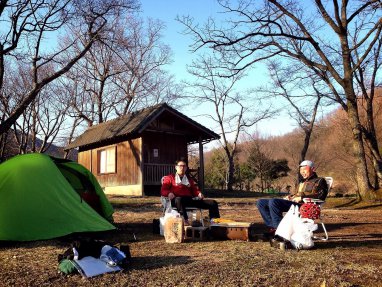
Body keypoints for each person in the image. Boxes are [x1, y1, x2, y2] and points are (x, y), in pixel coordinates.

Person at [256, 160, 328, 239]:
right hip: (294, 203)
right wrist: (291, 196)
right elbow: (298, 194)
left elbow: (321, 196)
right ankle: (274, 228)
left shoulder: (320, 181)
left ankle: (280, 231)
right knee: (261, 202)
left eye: (305, 169)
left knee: (274, 202)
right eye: (301, 170)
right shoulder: (302, 182)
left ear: (313, 169)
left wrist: (301, 198)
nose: (302, 172)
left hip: (305, 206)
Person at [161, 158, 220, 225]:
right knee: (179, 199)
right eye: (180, 166)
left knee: (213, 203)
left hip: (189, 200)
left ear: (186, 168)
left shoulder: (189, 179)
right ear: (176, 167)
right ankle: (185, 220)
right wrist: (169, 193)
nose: (182, 168)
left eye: (184, 166)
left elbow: (194, 190)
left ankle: (215, 223)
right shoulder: (170, 178)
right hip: (177, 201)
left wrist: (199, 193)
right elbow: (163, 190)